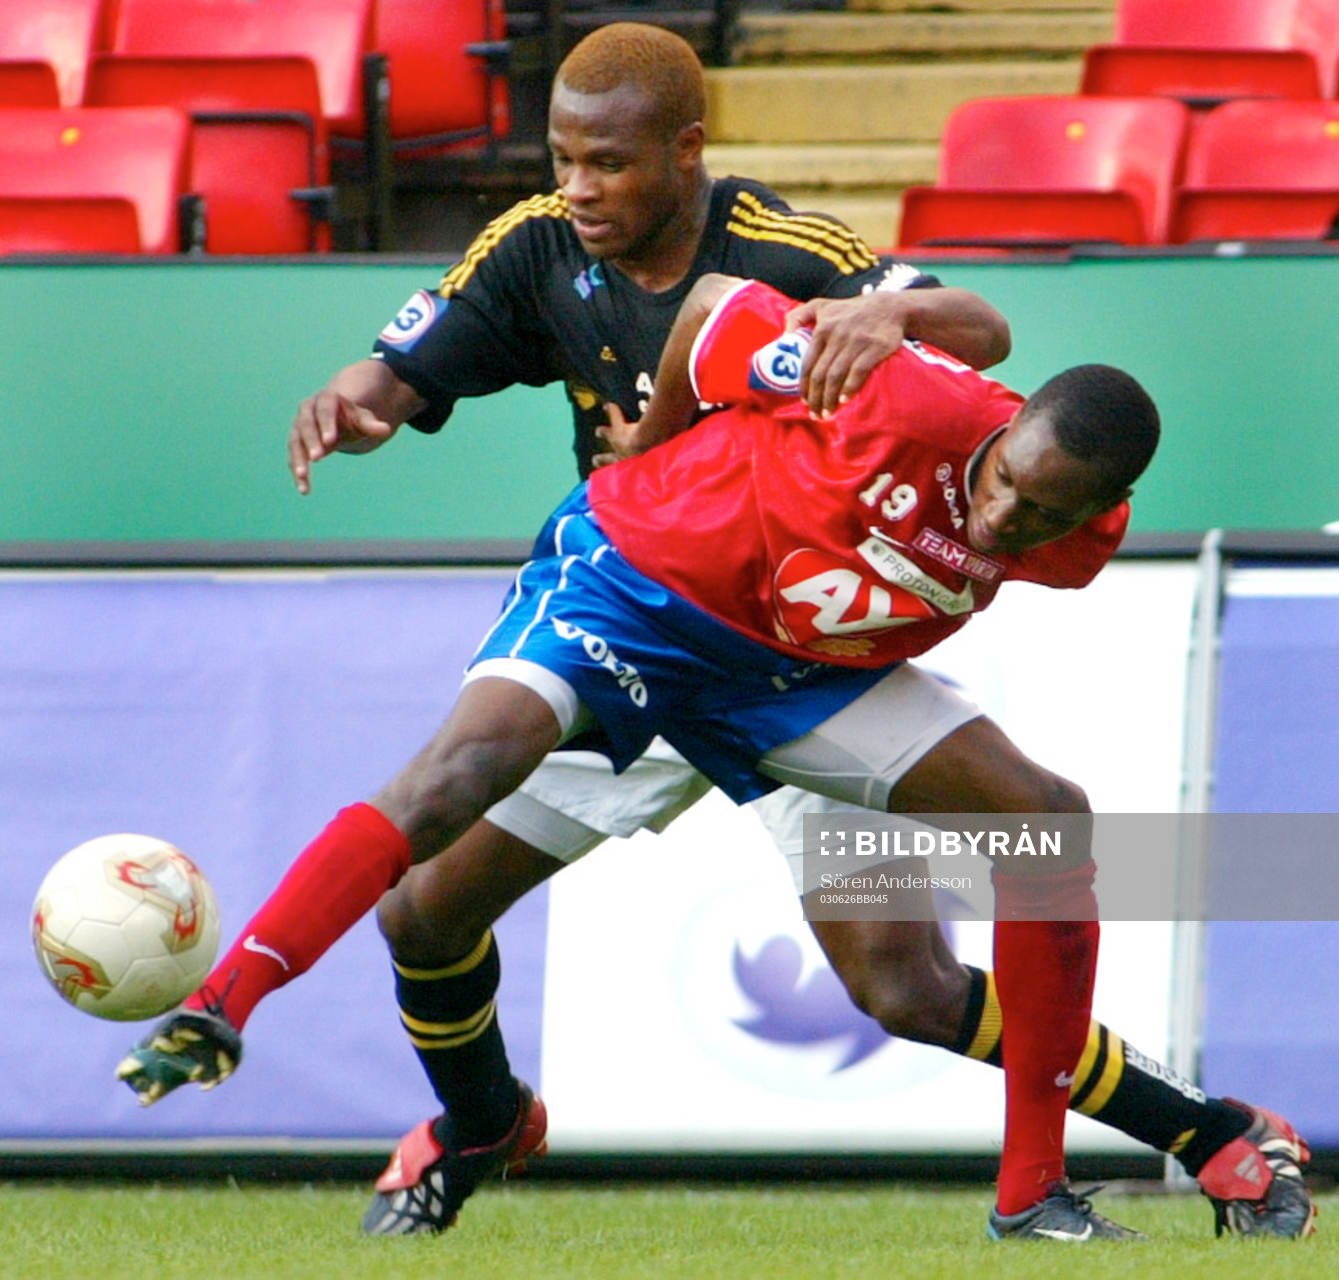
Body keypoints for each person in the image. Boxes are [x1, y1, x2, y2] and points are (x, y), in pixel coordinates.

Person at [117, 24, 1313, 1243]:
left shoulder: (799, 261)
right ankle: (481, 1120)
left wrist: (890, 316)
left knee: (907, 980)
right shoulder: (538, 244)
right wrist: (361, 395)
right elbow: (408, 365)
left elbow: (964, 337)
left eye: (607, 163)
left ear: (685, 151)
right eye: (563, 160)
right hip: (635, 623)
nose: (578, 187)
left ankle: (1187, 1133)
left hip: (794, 671)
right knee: (425, 911)